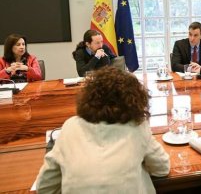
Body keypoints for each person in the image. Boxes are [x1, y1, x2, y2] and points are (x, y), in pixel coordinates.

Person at [36, 66, 170, 193]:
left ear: (89, 96)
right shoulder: (137, 127)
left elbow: (45, 186)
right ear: (135, 99)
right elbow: (162, 169)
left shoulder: (70, 126)